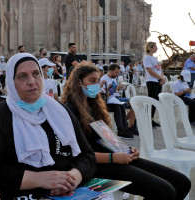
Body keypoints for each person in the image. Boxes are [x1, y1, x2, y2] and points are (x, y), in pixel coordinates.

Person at [62, 63, 191, 200]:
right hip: (95, 166)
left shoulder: (94, 106)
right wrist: (113, 158)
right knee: (165, 191)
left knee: (182, 183)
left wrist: (127, 149)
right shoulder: (69, 111)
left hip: (116, 158)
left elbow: (106, 138)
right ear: (78, 83)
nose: (96, 85)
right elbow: (76, 154)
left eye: (98, 81)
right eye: (92, 81)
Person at [0, 53, 96, 199]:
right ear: (11, 82)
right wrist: (40, 179)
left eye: (36, 74)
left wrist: (72, 179)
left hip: (68, 190)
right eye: (22, 76)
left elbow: (87, 156)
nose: (32, 82)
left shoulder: (59, 111)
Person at [100, 63, 137, 139]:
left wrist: (120, 90)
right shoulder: (104, 79)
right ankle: (125, 129)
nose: (117, 74)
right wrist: (117, 88)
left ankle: (129, 126)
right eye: (116, 72)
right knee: (122, 106)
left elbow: (114, 91)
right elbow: (105, 95)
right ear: (110, 71)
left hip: (117, 98)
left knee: (134, 102)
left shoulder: (113, 78)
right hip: (110, 100)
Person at [143, 41, 166, 127]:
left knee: (156, 100)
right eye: (155, 47)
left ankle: (151, 119)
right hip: (152, 81)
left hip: (157, 81)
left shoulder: (155, 58)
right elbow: (149, 70)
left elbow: (159, 70)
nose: (157, 48)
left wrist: (162, 78)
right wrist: (160, 78)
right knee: (152, 100)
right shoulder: (147, 58)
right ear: (150, 48)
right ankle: (148, 119)